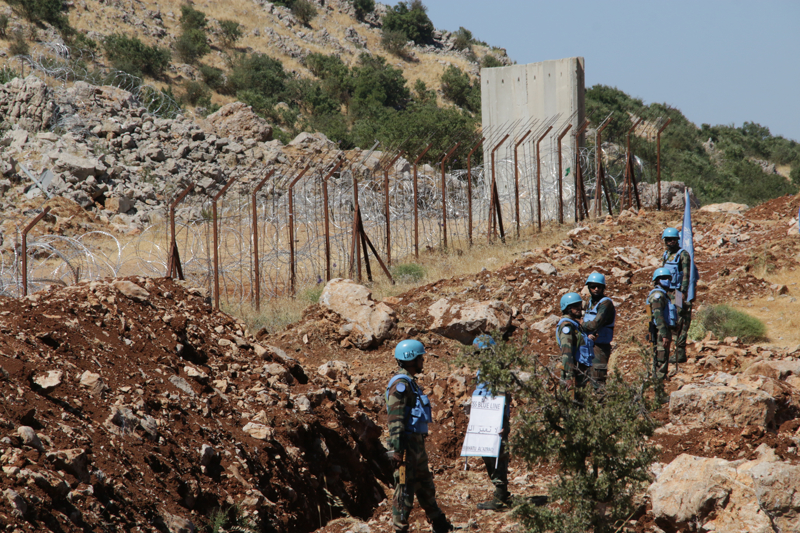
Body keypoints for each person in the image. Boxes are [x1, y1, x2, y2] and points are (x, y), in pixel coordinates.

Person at [386, 339, 453, 533]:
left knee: (424, 483)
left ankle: (438, 520)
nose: (423, 361)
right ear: (411, 359)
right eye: (420, 357)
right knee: (404, 488)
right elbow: (395, 421)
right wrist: (397, 450)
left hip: (416, 446)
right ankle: (400, 528)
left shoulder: (410, 383)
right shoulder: (400, 385)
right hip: (406, 447)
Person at [470, 335, 511, 511]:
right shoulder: (485, 369)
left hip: (495, 418)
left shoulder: (496, 370)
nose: (481, 356)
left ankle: (501, 497)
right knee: (488, 454)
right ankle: (501, 493)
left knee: (496, 455)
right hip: (486, 417)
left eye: (483, 352)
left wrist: (502, 422)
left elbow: (502, 395)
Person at [661, 227, 692, 364]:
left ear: (677, 240)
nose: (670, 242)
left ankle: (680, 353)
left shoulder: (683, 254)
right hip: (666, 293)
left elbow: (686, 274)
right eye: (668, 240)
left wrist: (683, 292)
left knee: (681, 322)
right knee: (668, 321)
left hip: (678, 293)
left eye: (673, 239)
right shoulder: (666, 255)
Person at [581, 272, 616, 388]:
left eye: (599, 287)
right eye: (592, 286)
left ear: (603, 288)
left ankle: (601, 404)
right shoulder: (589, 302)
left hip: (600, 347)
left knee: (598, 381)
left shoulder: (606, 303)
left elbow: (595, 324)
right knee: (584, 379)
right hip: (588, 345)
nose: (596, 289)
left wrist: (581, 325)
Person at [556, 293, 594, 394]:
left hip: (581, 370)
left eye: (579, 305)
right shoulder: (567, 327)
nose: (579, 308)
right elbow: (567, 352)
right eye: (575, 306)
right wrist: (569, 376)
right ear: (567, 308)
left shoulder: (575, 325)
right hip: (574, 372)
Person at [648, 268, 678, 380]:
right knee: (661, 359)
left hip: (664, 331)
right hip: (660, 332)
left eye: (668, 278)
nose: (667, 280)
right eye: (663, 278)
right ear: (657, 280)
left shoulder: (665, 295)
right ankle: (658, 387)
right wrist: (664, 334)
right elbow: (658, 317)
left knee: (663, 357)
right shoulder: (658, 296)